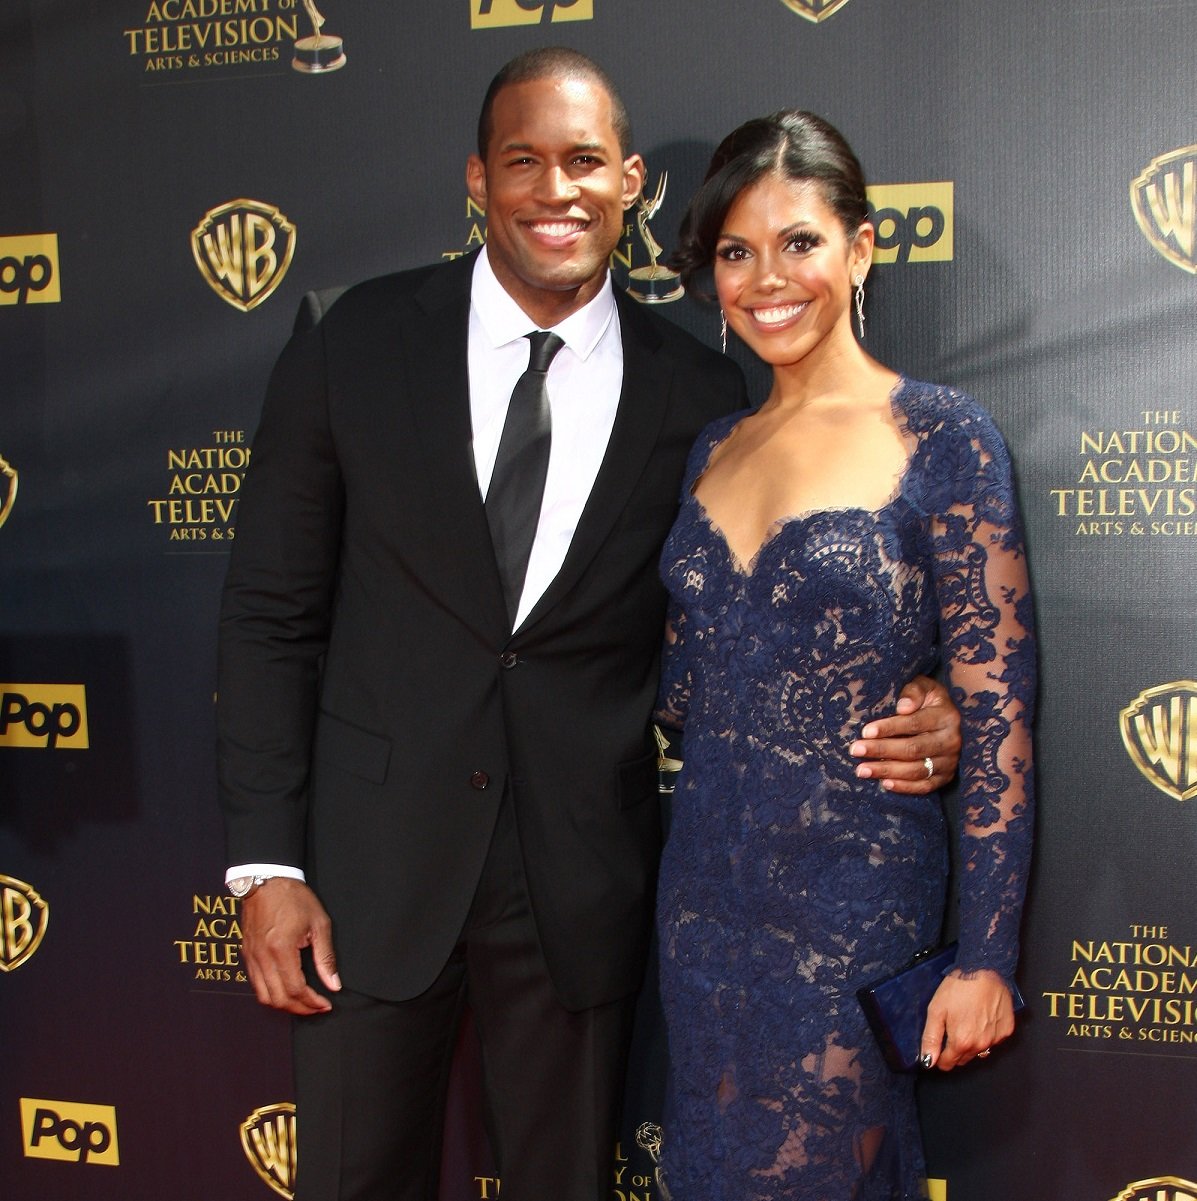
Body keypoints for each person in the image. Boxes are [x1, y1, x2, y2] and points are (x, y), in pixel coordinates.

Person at [216, 53, 963, 1201]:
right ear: (478, 179)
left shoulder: (707, 403)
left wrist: (926, 699)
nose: (553, 191)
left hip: (581, 883)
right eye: (523, 161)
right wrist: (267, 866)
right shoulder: (349, 338)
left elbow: (769, 623)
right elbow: (270, 613)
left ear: (629, 186)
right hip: (367, 877)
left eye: (582, 163)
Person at [653, 110, 1036, 1201]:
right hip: (702, 910)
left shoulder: (943, 437)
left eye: (801, 242)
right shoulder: (710, 450)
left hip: (852, 904)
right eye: (737, 250)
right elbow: (686, 691)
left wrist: (985, 957)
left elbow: (1002, 712)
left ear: (861, 249)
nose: (768, 277)